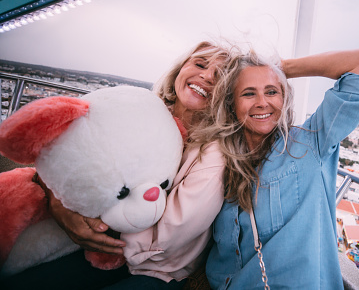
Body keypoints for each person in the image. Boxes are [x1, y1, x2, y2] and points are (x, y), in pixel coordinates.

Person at [0, 40, 237, 290]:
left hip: (151, 265)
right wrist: (61, 204)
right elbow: (72, 158)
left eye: (221, 77)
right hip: (91, 239)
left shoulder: (213, 151)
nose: (207, 76)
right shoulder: (139, 111)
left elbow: (174, 231)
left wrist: (102, 230)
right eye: (199, 63)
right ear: (179, 70)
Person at [203, 46, 359, 289]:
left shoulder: (311, 142)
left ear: (284, 98)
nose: (262, 102)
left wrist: (279, 68)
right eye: (248, 93)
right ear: (232, 105)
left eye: (271, 91)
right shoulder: (220, 159)